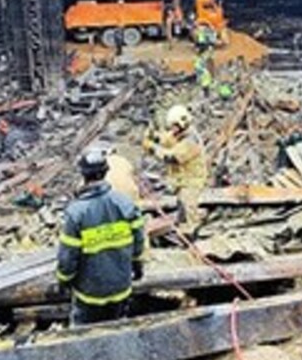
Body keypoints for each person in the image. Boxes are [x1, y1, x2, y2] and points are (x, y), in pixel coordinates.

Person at [57, 147, 147, 325]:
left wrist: (64, 281)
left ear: (83, 175)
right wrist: (138, 266)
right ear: (106, 172)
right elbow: (138, 242)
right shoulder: (125, 203)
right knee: (117, 328)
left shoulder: (76, 213)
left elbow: (68, 257)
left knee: (84, 336)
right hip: (121, 287)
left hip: (90, 294)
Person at [144, 105, 209, 218]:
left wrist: (153, 148)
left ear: (182, 123)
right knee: (181, 206)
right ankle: (183, 227)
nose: (172, 129)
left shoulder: (190, 141)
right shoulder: (180, 134)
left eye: (174, 126)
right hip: (182, 180)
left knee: (187, 209)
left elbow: (173, 158)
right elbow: (166, 139)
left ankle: (188, 232)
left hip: (192, 181)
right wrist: (153, 136)